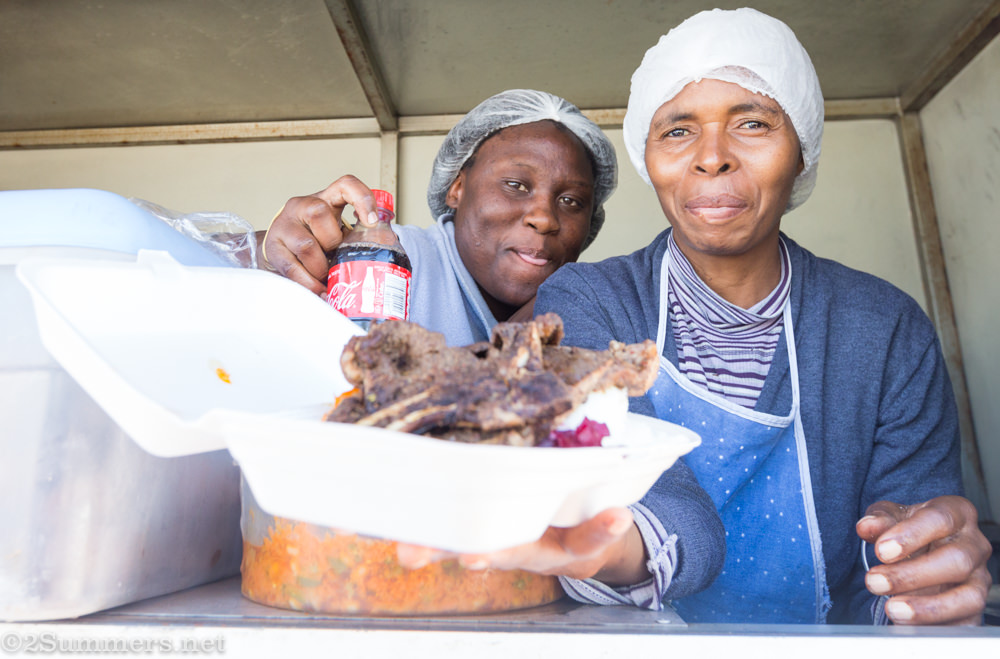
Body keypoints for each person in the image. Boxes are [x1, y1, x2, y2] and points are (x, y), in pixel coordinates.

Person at [534, 8, 992, 625]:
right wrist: (609, 541)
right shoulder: (590, 301)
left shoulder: (884, 328)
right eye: (677, 131)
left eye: (752, 123)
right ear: (647, 158)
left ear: (801, 150)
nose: (712, 157)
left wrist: (921, 572)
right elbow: (643, 489)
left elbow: (904, 544)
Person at [262, 89, 726, 607]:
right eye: (515, 184)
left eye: (571, 201)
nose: (544, 216)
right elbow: (248, 273)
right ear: (458, 186)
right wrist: (274, 247)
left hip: (487, 596)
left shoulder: (583, 317)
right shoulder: (388, 263)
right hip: (338, 577)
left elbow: (675, 519)